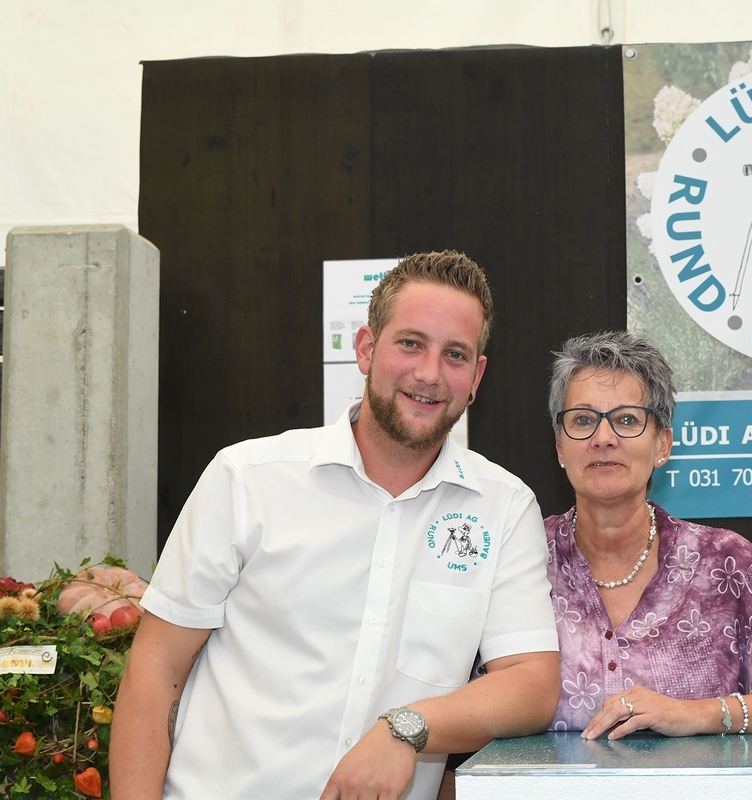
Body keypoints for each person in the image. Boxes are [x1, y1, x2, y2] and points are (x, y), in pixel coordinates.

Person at [110, 251, 560, 800]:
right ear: (366, 348)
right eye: (410, 343)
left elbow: (531, 685)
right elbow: (157, 669)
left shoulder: (504, 507)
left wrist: (406, 729)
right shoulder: (247, 478)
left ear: (476, 377)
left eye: (455, 354)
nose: (429, 373)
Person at [544, 330, 752, 739]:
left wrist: (699, 715)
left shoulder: (725, 561)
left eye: (626, 420)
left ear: (663, 445)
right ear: (559, 447)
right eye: (583, 420)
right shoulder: (521, 557)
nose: (603, 438)